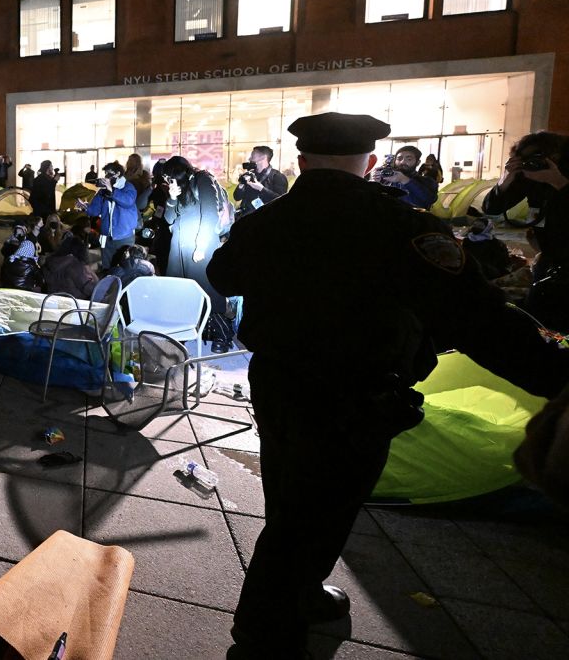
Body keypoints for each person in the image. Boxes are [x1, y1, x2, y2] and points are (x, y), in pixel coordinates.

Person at [206, 112, 569, 660]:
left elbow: (223, 274)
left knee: (291, 499)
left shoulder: (269, 219)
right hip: (355, 393)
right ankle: (262, 636)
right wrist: (557, 378)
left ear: (301, 162)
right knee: (315, 515)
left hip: (280, 382)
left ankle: (298, 597)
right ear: (370, 163)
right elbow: (476, 319)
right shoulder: (402, 225)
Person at [482, 131, 569, 282]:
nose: (531, 163)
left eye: (536, 158)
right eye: (525, 160)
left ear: (554, 156)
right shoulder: (530, 176)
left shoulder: (563, 173)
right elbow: (491, 209)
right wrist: (505, 180)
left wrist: (559, 182)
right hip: (548, 255)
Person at [157, 155, 231, 314]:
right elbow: (169, 219)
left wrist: (201, 246)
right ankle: (185, 324)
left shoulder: (202, 179)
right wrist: (171, 198)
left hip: (199, 244)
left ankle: (213, 328)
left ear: (177, 172)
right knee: (180, 288)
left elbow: (210, 213)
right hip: (179, 247)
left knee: (205, 288)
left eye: (169, 177)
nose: (168, 181)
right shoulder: (179, 188)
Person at [82, 161, 139, 268]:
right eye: (106, 174)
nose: (107, 177)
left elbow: (128, 201)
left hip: (124, 236)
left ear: (118, 174)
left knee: (126, 267)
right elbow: (95, 210)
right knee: (108, 268)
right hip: (107, 236)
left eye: (109, 174)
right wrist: (85, 207)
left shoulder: (127, 187)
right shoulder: (103, 191)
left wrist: (112, 191)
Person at [233, 145, 290, 216]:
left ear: (263, 157)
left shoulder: (277, 176)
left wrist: (261, 188)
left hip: (265, 220)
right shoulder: (249, 175)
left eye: (253, 156)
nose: (249, 158)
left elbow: (281, 201)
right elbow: (237, 197)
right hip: (246, 218)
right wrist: (241, 184)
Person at [374, 145, 437, 209]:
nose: (403, 162)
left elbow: (430, 200)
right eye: (399, 158)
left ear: (418, 162)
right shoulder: (388, 180)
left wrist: (405, 180)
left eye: (409, 159)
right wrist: (378, 184)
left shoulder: (428, 181)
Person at [43, 233, 99, 300]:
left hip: (51, 302)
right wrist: (92, 273)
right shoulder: (73, 265)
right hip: (73, 305)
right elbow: (92, 290)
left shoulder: (51, 262)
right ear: (80, 251)